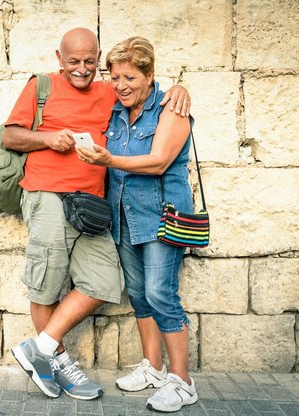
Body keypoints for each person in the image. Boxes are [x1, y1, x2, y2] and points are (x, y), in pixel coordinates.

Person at [2, 28, 191, 401]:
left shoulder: (114, 92)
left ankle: (39, 348)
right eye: (74, 62)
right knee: (48, 283)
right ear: (60, 59)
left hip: (94, 203)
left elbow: (147, 92)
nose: (83, 69)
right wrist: (47, 138)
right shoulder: (41, 86)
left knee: (105, 281)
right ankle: (56, 362)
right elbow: (10, 136)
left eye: (91, 62)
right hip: (48, 195)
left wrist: (180, 88)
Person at [76, 36, 197, 412]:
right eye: (115, 78)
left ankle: (183, 382)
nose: (121, 85)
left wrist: (107, 161)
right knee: (140, 294)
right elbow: (78, 84)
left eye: (129, 77)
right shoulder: (116, 109)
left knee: (162, 295)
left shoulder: (170, 110)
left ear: (150, 75)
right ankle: (154, 368)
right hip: (124, 216)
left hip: (163, 217)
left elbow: (159, 160)